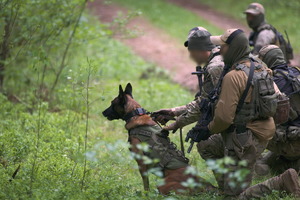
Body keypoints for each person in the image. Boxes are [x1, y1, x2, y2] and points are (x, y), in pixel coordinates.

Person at [188, 28, 300, 199]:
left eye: (222, 47)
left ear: (232, 49)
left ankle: (279, 182)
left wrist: (207, 129)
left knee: (235, 197)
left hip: (244, 139)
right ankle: (230, 186)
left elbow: (224, 118)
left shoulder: (233, 76)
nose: (219, 50)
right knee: (211, 148)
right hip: (265, 132)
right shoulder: (263, 69)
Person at [152, 27, 224, 131]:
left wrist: (177, 123)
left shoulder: (215, 67)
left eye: (192, 52)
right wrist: (174, 111)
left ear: (200, 50)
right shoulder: (219, 57)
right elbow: (203, 101)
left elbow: (207, 104)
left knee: (207, 143)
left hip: (241, 122)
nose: (191, 56)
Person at [255, 45, 300, 175]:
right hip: (296, 135)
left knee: (250, 126)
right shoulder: (296, 72)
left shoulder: (271, 83)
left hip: (291, 141)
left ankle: (251, 165)